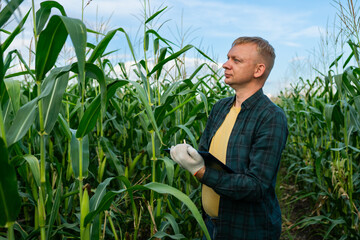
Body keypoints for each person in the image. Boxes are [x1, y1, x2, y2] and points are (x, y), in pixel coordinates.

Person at [170, 36, 288, 240]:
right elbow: (206, 156)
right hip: (212, 223)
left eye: (236, 60)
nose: (225, 64)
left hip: (247, 230)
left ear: (258, 70)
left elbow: (256, 186)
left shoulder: (271, 117)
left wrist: (199, 172)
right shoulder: (220, 108)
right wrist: (190, 156)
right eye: (227, 58)